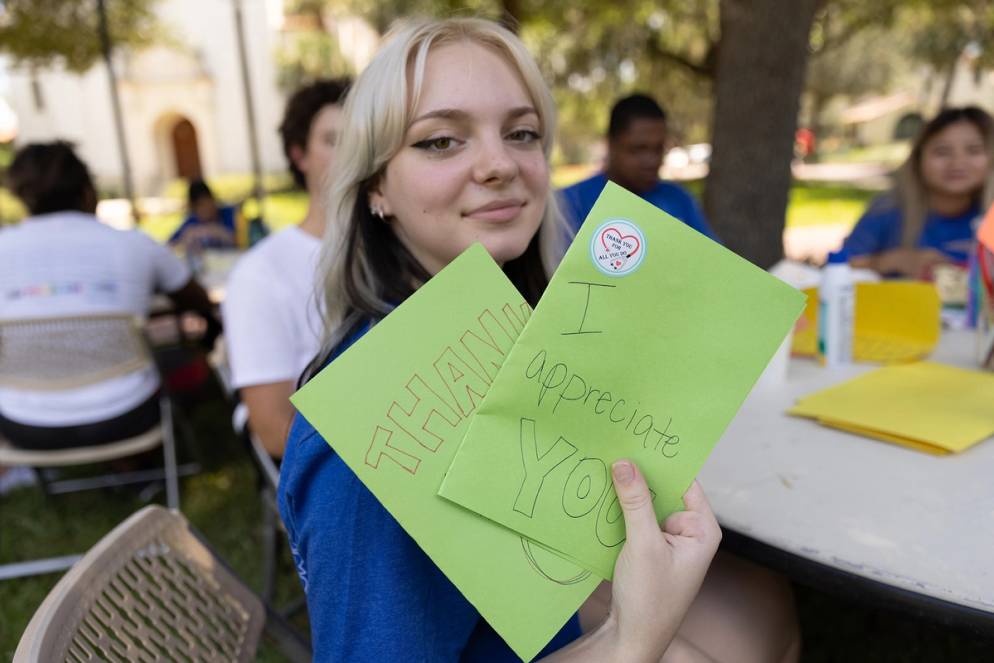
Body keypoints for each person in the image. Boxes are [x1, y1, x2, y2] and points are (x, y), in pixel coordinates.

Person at [278, 18, 799, 663]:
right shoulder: (363, 439)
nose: (501, 165)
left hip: (549, 620)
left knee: (768, 604)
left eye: (522, 133)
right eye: (441, 141)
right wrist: (628, 642)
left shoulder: (518, 330)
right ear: (376, 187)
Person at [0, 141, 220, 450]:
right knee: (186, 357)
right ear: (88, 192)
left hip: (23, 424)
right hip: (126, 414)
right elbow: (200, 302)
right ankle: (137, 461)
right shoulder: (134, 245)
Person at [221, 78, 349, 458]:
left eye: (364, 136)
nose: (354, 152)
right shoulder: (260, 274)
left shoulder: (409, 249)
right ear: (299, 155)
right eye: (333, 140)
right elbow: (275, 433)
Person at [843, 106, 993, 279]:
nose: (957, 163)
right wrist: (895, 260)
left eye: (974, 151)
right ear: (918, 159)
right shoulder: (888, 209)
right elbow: (839, 267)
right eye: (942, 151)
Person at [559, 94, 718, 241]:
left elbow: (714, 261)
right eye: (638, 149)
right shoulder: (568, 204)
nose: (652, 161)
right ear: (611, 144)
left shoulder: (679, 200)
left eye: (658, 149)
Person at [168, 178, 239, 253]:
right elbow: (169, 246)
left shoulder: (230, 214)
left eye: (208, 203)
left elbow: (244, 241)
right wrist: (185, 239)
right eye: (201, 205)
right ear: (193, 208)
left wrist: (218, 231)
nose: (207, 208)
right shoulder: (192, 222)